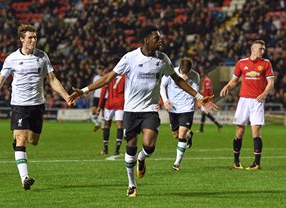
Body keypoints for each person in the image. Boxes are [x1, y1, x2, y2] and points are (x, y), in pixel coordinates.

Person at [68, 26, 217, 197]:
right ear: (146, 39)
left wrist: (199, 96)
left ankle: (142, 157)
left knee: (149, 146)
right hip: (131, 111)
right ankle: (132, 185)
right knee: (130, 148)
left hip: (150, 110)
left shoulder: (163, 59)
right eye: (156, 38)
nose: (160, 41)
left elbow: (177, 81)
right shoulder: (130, 58)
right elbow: (108, 78)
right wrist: (84, 90)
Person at [0, 24, 73, 190]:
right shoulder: (11, 58)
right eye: (30, 37)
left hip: (37, 105)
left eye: (35, 37)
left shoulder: (42, 57)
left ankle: (19, 141)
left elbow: (52, 79)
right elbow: (0, 80)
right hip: (19, 105)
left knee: (33, 140)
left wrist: (66, 97)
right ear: (22, 39)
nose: (33, 40)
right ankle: (25, 178)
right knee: (21, 139)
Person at [220, 39, 274, 170]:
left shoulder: (266, 63)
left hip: (257, 101)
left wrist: (264, 93)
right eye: (261, 49)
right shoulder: (241, 63)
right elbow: (234, 81)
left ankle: (257, 163)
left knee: (255, 130)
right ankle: (236, 161)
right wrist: (227, 86)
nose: (263, 51)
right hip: (243, 100)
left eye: (263, 49)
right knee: (240, 130)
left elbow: (270, 82)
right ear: (253, 49)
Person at [160, 57, 200, 171]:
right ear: (180, 68)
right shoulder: (171, 72)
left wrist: (185, 82)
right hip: (173, 108)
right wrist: (165, 100)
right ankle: (189, 135)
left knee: (181, 134)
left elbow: (195, 92)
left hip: (187, 108)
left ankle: (177, 163)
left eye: (187, 72)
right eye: (183, 72)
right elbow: (162, 86)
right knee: (176, 135)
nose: (185, 74)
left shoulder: (195, 76)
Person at [97, 73, 125, 155]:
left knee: (106, 125)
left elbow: (103, 91)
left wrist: (99, 105)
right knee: (119, 125)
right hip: (120, 103)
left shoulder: (109, 75)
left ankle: (105, 149)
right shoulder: (125, 77)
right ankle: (117, 150)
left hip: (109, 103)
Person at [91, 66, 106, 132]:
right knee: (93, 110)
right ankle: (97, 124)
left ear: (103, 71)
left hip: (104, 96)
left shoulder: (105, 77)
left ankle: (103, 126)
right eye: (98, 70)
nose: (99, 72)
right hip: (96, 96)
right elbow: (93, 86)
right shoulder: (96, 77)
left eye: (100, 70)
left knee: (102, 112)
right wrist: (89, 93)